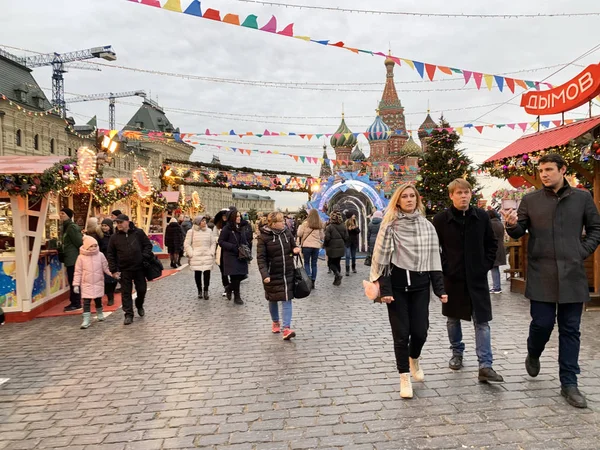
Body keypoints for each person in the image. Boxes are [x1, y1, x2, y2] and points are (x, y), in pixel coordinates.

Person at [504, 153, 600, 408]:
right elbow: (518, 230)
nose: (544, 174)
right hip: (541, 273)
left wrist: (581, 252)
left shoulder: (582, 198)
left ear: (563, 169)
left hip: (572, 275)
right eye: (541, 170)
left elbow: (595, 229)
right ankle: (533, 352)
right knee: (542, 324)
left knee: (571, 330)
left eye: (548, 169)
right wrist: (510, 224)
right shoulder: (530, 200)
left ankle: (569, 383)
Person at [369, 184, 448, 398]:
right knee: (401, 334)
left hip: (420, 287)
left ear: (417, 199)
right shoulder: (390, 226)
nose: (409, 199)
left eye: (412, 196)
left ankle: (414, 358)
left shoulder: (426, 226)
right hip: (396, 289)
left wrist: (440, 289)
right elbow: (382, 260)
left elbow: (434, 259)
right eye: (405, 196)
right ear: (398, 200)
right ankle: (404, 376)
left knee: (420, 331)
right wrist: (385, 289)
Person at [432, 179, 503, 383]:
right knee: (453, 319)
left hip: (477, 278)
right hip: (453, 279)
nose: (463, 196)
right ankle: (457, 352)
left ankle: (486, 365)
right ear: (451, 196)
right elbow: (435, 248)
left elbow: (491, 243)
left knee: (482, 321)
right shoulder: (441, 219)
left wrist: (484, 265)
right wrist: (446, 268)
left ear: (471, 194)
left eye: (467, 192)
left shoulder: (480, 216)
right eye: (459, 193)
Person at [257, 211, 301, 340]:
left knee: (287, 298)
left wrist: (295, 250)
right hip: (272, 273)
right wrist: (265, 274)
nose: (284, 223)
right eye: (281, 221)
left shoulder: (287, 232)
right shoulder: (263, 237)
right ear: (273, 223)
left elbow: (293, 246)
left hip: (287, 271)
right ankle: (275, 321)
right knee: (273, 299)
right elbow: (261, 258)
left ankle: (286, 328)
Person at [107, 214, 153, 325]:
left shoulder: (138, 233)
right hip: (124, 269)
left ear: (127, 222)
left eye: (120, 222)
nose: (118, 225)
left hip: (139, 267)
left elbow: (148, 245)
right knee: (126, 292)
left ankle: (139, 304)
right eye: (117, 223)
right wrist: (113, 270)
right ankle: (128, 314)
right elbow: (111, 254)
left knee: (141, 290)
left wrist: (144, 256)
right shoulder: (114, 237)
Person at [73, 235, 113, 329]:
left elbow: (105, 267)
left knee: (98, 300)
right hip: (86, 283)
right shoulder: (81, 257)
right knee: (86, 302)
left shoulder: (100, 255)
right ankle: (86, 319)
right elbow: (78, 272)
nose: (94, 248)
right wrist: (76, 284)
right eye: (91, 246)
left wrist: (112, 274)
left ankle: (99, 313)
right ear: (86, 246)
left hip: (98, 282)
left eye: (95, 245)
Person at [218, 207, 249, 305]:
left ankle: (229, 287)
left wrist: (246, 246)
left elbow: (245, 239)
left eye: (240, 216)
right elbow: (221, 241)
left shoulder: (242, 227)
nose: (239, 218)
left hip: (241, 254)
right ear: (232, 217)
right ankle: (237, 296)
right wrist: (232, 247)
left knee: (242, 275)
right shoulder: (227, 228)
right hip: (231, 255)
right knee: (235, 277)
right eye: (237, 216)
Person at [184, 215, 217, 300]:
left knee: (207, 274)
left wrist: (211, 252)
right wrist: (191, 253)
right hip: (196, 256)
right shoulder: (191, 232)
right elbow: (187, 244)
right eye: (202, 221)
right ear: (198, 222)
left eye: (205, 221)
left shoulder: (209, 231)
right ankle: (199, 290)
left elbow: (213, 243)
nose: (204, 222)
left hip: (207, 255)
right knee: (197, 274)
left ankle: (206, 290)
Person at [59, 208, 83, 312]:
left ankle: (76, 302)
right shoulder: (65, 227)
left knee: (74, 280)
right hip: (69, 258)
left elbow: (79, 242)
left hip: (73, 258)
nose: (61, 215)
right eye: (60, 213)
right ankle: (74, 301)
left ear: (69, 215)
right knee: (72, 280)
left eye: (63, 214)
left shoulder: (71, 227)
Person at [296, 209, 324, 289]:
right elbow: (322, 237)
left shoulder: (305, 224)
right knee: (314, 263)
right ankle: (313, 280)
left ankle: (308, 277)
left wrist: (300, 226)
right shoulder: (320, 224)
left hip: (307, 246)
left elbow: (299, 234)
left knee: (307, 263)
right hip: (316, 246)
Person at [323, 210, 348, 286]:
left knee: (330, 263)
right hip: (340, 247)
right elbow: (346, 237)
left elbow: (327, 238)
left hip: (331, 247)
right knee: (337, 263)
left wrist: (325, 245)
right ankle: (337, 279)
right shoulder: (343, 226)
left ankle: (337, 274)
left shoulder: (329, 227)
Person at [487, 209, 506, 294]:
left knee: (494, 268)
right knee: (495, 268)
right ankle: (496, 286)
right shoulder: (499, 223)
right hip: (500, 247)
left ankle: (496, 287)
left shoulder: (491, 224)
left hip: (494, 248)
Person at [214, 209, 231, 297]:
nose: (224, 217)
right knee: (223, 270)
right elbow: (214, 237)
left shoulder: (231, 225)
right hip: (221, 249)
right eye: (223, 216)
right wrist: (220, 239)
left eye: (226, 216)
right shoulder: (218, 226)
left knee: (231, 269)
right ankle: (226, 286)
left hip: (229, 249)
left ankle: (232, 286)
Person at [99, 218, 117, 306]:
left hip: (114, 260)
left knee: (114, 279)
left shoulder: (114, 236)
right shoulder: (100, 237)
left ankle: (111, 294)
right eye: (102, 226)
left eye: (105, 226)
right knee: (107, 280)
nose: (104, 227)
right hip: (104, 260)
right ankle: (110, 297)